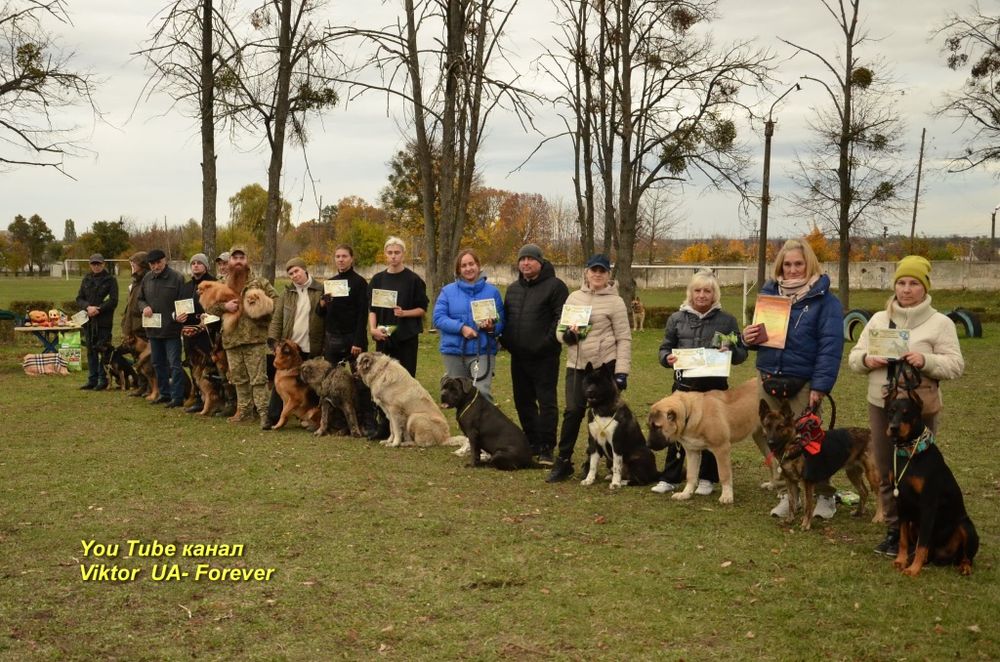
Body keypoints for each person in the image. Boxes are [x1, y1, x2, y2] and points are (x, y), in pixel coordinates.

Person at [849, 255, 964, 556]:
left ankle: (923, 531)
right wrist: (866, 360)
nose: (906, 289)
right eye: (901, 283)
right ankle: (893, 529)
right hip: (883, 405)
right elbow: (854, 358)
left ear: (925, 287)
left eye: (914, 283)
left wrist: (927, 360)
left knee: (921, 472)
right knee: (887, 470)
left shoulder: (940, 323)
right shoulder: (878, 320)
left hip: (920, 408)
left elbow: (955, 365)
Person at [743, 238, 844, 519]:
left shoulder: (826, 302)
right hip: (769, 379)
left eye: (798, 263)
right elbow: (759, 337)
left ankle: (824, 495)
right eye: (787, 264)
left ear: (809, 264)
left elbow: (830, 346)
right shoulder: (770, 296)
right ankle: (788, 495)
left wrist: (820, 386)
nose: (793, 269)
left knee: (809, 442)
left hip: (803, 383)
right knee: (774, 440)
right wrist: (747, 338)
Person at [652, 270, 748, 495]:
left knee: (711, 435)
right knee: (675, 430)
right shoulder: (676, 319)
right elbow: (665, 347)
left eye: (707, 291)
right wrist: (667, 358)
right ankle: (670, 477)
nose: (702, 295)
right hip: (683, 389)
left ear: (715, 294)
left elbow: (742, 354)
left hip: (714, 389)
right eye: (698, 290)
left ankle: (707, 478)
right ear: (690, 293)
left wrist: (731, 350)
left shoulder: (727, 320)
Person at [546, 254, 631, 483]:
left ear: (608, 275)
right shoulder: (574, 297)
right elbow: (559, 332)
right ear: (586, 272)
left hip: (605, 368)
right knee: (573, 411)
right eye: (593, 270)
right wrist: (567, 336)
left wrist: (621, 372)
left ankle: (591, 461)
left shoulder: (616, 302)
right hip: (577, 365)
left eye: (602, 271)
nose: (597, 274)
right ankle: (563, 461)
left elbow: (624, 338)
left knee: (602, 417)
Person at [501, 244, 568, 465]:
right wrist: (506, 341)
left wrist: (546, 343)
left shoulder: (556, 287)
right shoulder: (513, 289)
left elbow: (560, 318)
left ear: (540, 262)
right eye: (522, 259)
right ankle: (533, 442)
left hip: (545, 357)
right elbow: (507, 319)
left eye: (530, 259)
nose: (526, 263)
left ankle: (547, 448)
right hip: (518, 357)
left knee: (547, 402)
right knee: (523, 401)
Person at [206, 246, 278, 425]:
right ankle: (244, 411)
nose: (238, 261)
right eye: (234, 258)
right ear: (229, 261)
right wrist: (225, 307)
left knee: (258, 378)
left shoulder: (259, 282)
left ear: (247, 261)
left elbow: (276, 302)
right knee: (238, 378)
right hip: (231, 339)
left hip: (254, 338)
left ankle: (263, 413)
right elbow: (209, 307)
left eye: (242, 257)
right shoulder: (221, 283)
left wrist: (260, 303)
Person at [433, 249, 505, 401]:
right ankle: (465, 424)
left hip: (483, 350)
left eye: (471, 264)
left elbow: (501, 322)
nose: (468, 268)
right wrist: (461, 328)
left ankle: (485, 425)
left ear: (478, 266)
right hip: (454, 351)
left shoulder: (492, 292)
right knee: (459, 395)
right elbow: (438, 318)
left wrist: (491, 327)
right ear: (458, 270)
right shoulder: (447, 291)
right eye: (463, 265)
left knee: (481, 393)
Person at [263, 257, 325, 430]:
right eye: (290, 273)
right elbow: (277, 319)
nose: (294, 275)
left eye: (296, 271)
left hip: (310, 346)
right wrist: (274, 343)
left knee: (310, 386)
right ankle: (272, 417)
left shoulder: (320, 290)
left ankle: (314, 417)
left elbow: (326, 317)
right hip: (290, 347)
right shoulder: (287, 293)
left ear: (305, 269)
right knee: (281, 381)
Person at [368, 236, 428, 377]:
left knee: (405, 379)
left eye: (397, 252)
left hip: (406, 338)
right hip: (383, 337)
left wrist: (404, 313)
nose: (393, 256)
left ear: (403, 254)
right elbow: (372, 309)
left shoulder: (413, 280)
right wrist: (372, 329)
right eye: (390, 253)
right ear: (385, 254)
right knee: (382, 379)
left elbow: (422, 309)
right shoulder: (377, 279)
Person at [137, 249, 186, 407]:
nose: (156, 266)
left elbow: (183, 303)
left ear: (165, 261)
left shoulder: (177, 278)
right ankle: (164, 393)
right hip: (153, 330)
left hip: (172, 330)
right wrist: (144, 307)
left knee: (174, 364)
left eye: (159, 262)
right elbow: (140, 299)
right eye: (152, 264)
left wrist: (179, 316)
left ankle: (177, 397)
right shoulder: (147, 278)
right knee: (158, 363)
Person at [177, 253, 217, 413]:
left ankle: (213, 398)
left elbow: (218, 309)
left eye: (199, 263)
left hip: (207, 334)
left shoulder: (213, 284)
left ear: (206, 266)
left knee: (209, 368)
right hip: (188, 334)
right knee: (193, 366)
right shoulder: (186, 286)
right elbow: (177, 308)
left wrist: (202, 324)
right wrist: (178, 317)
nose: (195, 265)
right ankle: (199, 397)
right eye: (193, 263)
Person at [317, 244, 369, 366]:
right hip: (332, 338)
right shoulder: (330, 283)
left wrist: (358, 341)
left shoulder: (360, 282)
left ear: (351, 258)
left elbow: (363, 314)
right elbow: (320, 313)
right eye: (338, 256)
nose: (341, 259)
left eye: (344, 256)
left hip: (352, 337)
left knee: (359, 379)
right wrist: (322, 303)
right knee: (331, 379)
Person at [75, 253, 119, 391]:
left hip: (104, 321)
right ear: (90, 265)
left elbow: (113, 300)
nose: (96, 266)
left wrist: (98, 309)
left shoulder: (110, 280)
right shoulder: (86, 279)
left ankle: (103, 379)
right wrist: (87, 307)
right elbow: (79, 298)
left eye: (98, 264)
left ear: (103, 264)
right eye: (94, 264)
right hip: (88, 321)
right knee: (90, 351)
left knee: (103, 352)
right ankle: (92, 379)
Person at [121, 251, 153, 397]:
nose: (132, 265)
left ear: (142, 264)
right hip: (131, 323)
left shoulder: (148, 280)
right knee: (136, 357)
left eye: (134, 262)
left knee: (145, 359)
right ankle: (141, 385)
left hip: (142, 325)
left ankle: (150, 386)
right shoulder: (135, 281)